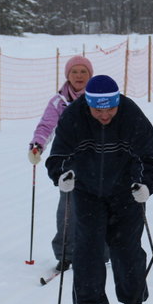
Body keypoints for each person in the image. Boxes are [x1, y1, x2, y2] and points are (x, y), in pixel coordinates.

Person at [46, 75, 153, 304]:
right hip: (87, 193)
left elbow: (149, 157)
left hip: (126, 192)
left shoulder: (132, 115)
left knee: (127, 250)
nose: (105, 114)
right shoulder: (74, 117)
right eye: (98, 109)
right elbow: (58, 155)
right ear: (88, 104)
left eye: (110, 108)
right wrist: (62, 175)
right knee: (87, 250)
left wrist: (145, 184)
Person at [28, 55, 94, 271]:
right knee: (68, 209)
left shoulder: (98, 96)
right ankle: (66, 254)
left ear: (90, 75)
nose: (79, 76)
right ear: (67, 75)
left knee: (100, 207)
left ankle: (101, 252)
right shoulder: (59, 102)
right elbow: (47, 125)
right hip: (70, 161)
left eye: (83, 71)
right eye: (74, 72)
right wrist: (37, 144)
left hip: (98, 159)